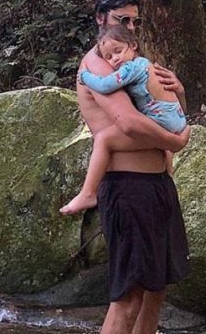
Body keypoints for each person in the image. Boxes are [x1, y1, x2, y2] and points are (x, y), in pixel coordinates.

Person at [76, 0, 191, 334]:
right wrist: (177, 141)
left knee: (155, 288)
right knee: (125, 299)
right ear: (102, 18)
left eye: (137, 21)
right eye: (123, 18)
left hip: (157, 187)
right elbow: (124, 124)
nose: (131, 27)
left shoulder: (130, 62)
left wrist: (179, 93)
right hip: (126, 190)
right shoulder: (98, 65)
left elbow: (162, 104)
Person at [61, 24, 186, 215]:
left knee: (104, 139)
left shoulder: (132, 67)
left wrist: (84, 76)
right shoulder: (113, 62)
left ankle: (88, 192)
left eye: (118, 51)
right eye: (109, 57)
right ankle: (169, 171)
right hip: (133, 182)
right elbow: (130, 122)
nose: (114, 59)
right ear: (100, 18)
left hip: (152, 178)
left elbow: (106, 85)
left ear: (133, 45)